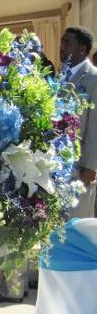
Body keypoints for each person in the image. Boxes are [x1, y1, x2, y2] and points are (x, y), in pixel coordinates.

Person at [61, 27, 97, 218]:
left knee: (77, 226)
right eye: (61, 42)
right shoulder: (61, 75)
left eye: (67, 43)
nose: (62, 47)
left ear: (82, 49)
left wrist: (91, 167)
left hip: (80, 167)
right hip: (58, 165)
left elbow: (95, 126)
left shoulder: (94, 77)